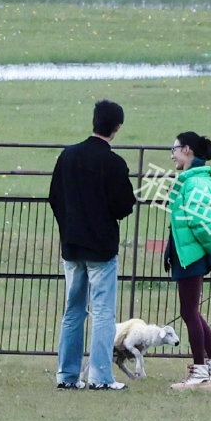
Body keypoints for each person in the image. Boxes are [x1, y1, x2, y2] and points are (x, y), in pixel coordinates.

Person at [48, 99, 137, 391]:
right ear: (117, 127)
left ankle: (67, 374)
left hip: (72, 246)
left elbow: (55, 197)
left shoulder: (68, 156)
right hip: (101, 248)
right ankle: (100, 376)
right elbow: (124, 205)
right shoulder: (113, 163)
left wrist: (69, 226)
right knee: (102, 312)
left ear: (94, 121)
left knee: (73, 309)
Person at [165, 131, 211, 391]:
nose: (172, 154)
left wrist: (206, 248)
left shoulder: (193, 183)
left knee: (189, 312)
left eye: (174, 149)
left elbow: (201, 222)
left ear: (187, 150)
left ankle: (199, 374)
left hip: (190, 255)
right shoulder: (200, 180)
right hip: (193, 253)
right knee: (192, 311)